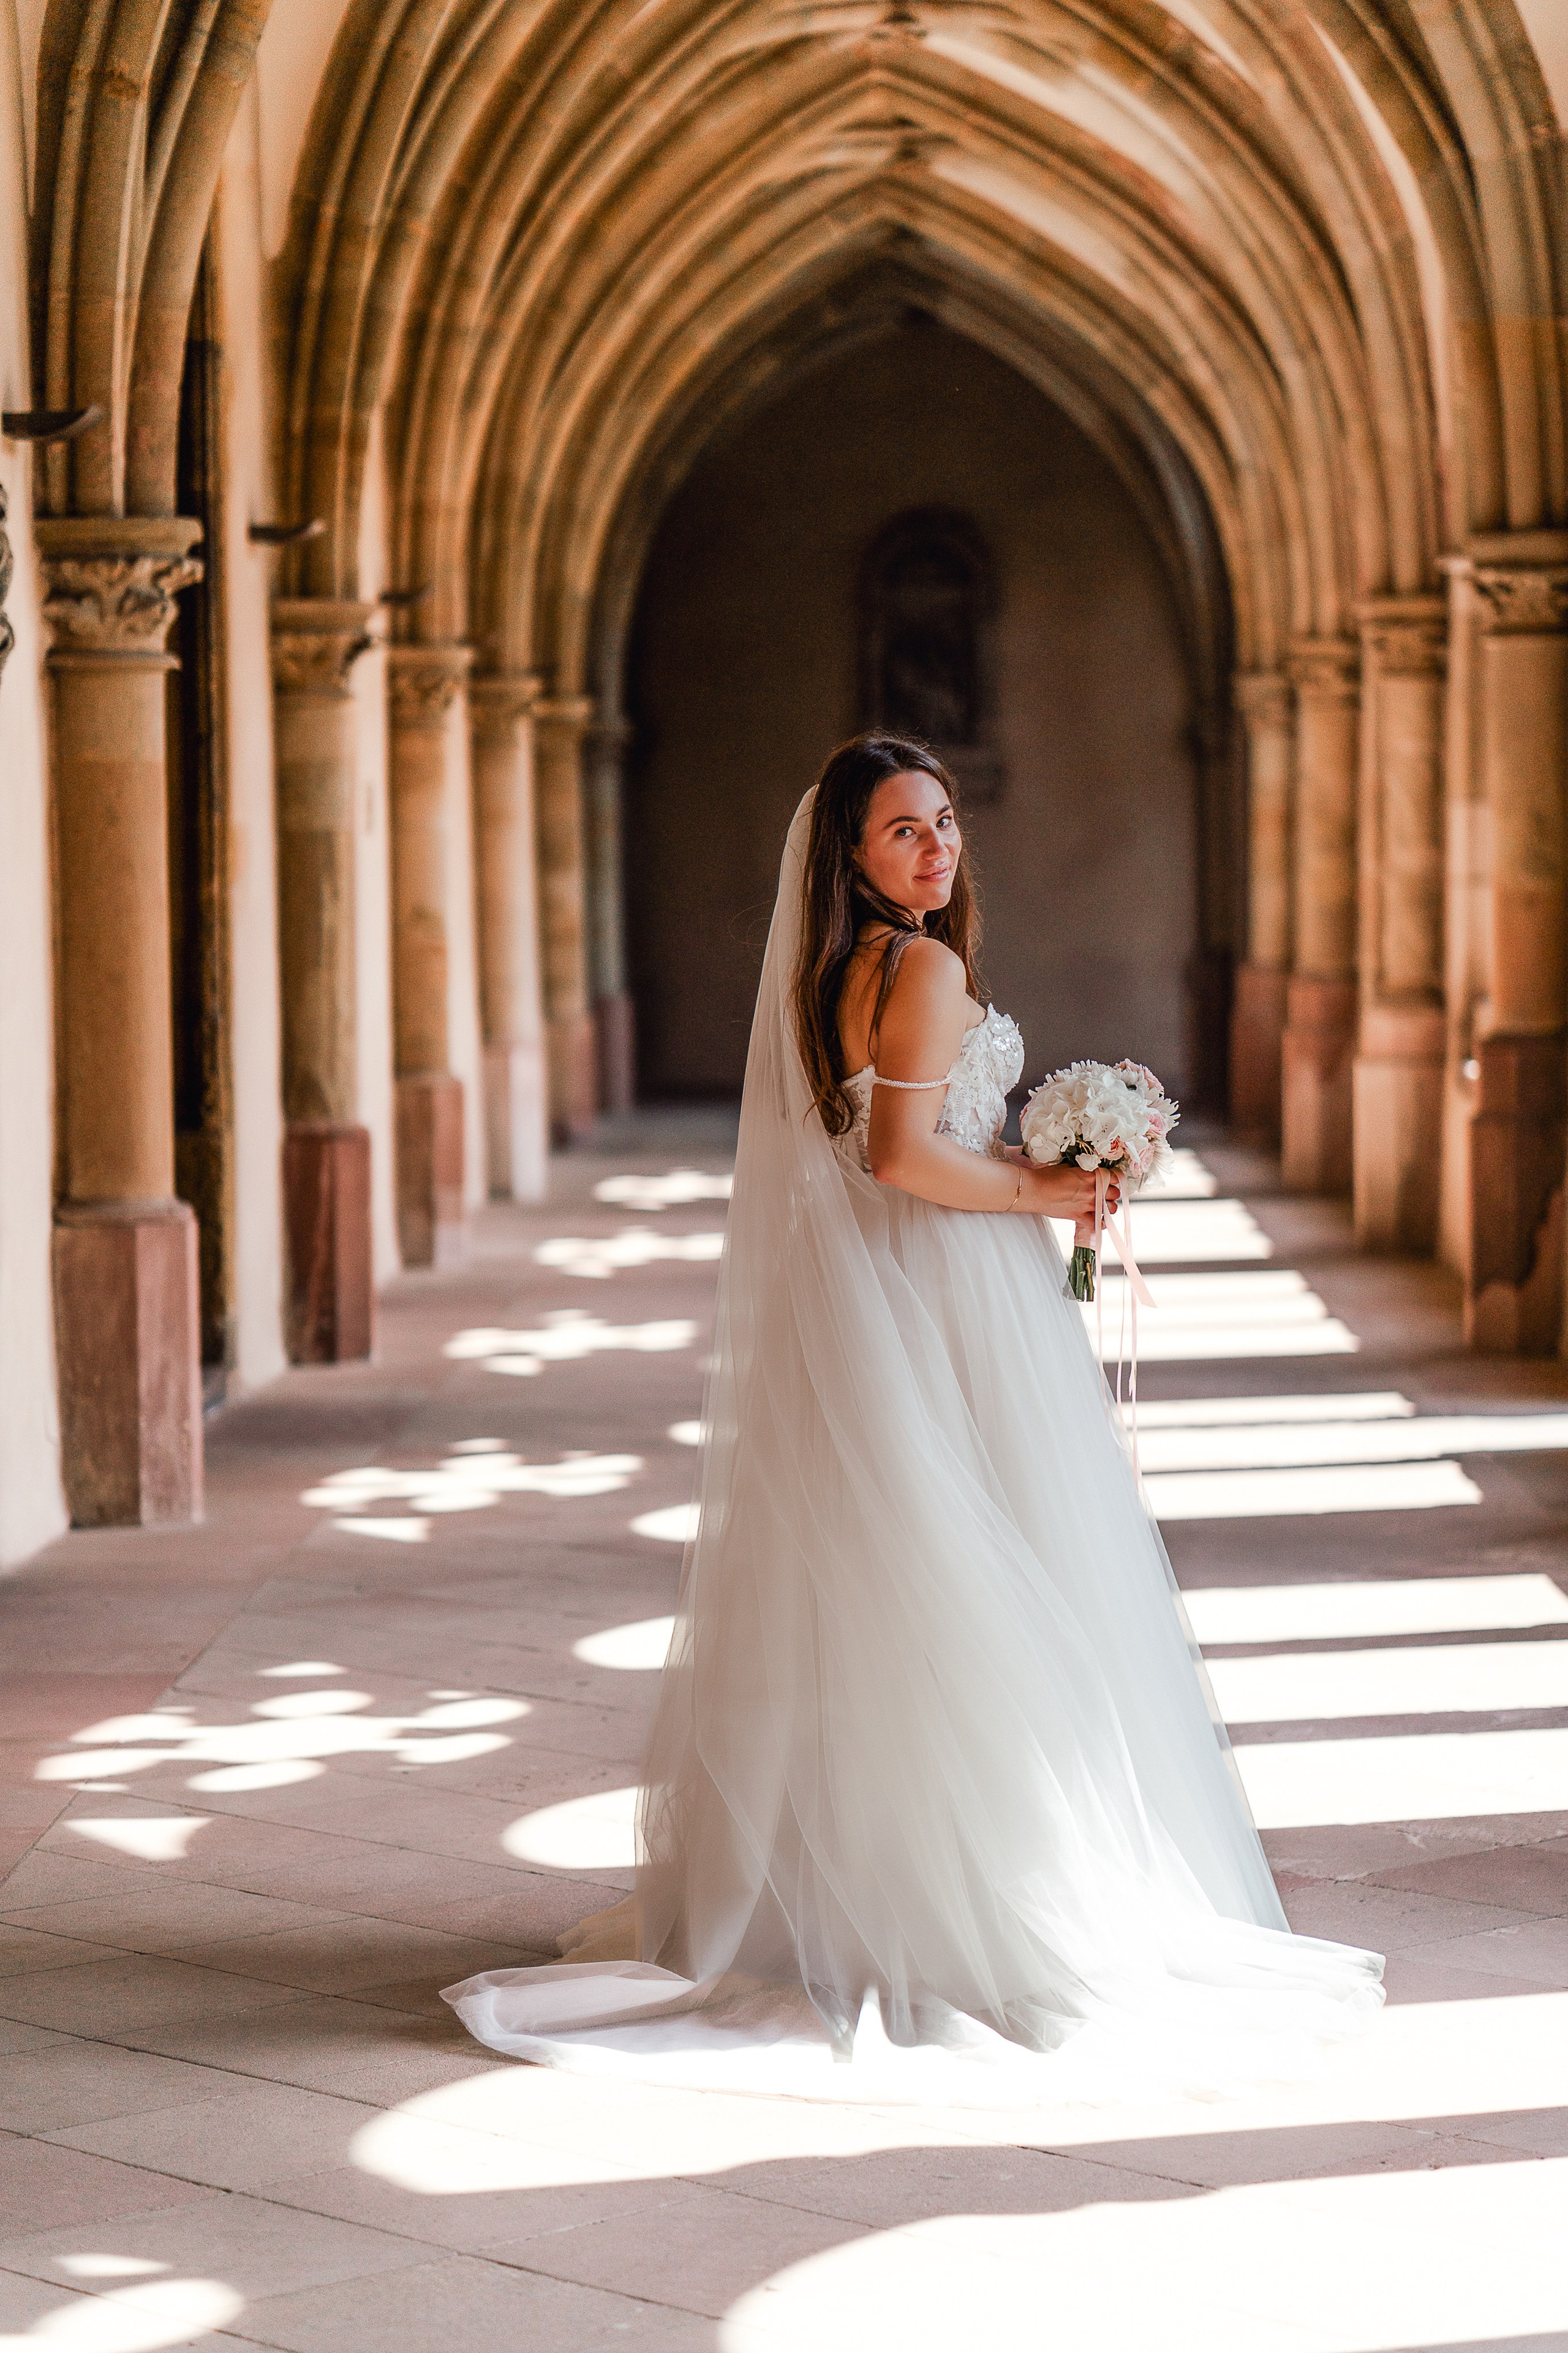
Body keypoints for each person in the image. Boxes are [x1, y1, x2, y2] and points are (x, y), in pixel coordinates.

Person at [444, 734, 1382, 2101]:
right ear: (850, 856)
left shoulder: (842, 972)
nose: (936, 848)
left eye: (942, 823)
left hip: (877, 1291)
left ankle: (848, 1895)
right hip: (944, 1289)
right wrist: (1043, 1190)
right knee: (982, 1573)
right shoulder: (924, 967)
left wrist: (1025, 1163)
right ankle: (979, 1899)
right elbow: (899, 1158)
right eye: (901, 832)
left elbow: (876, 1147)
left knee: (881, 1580)